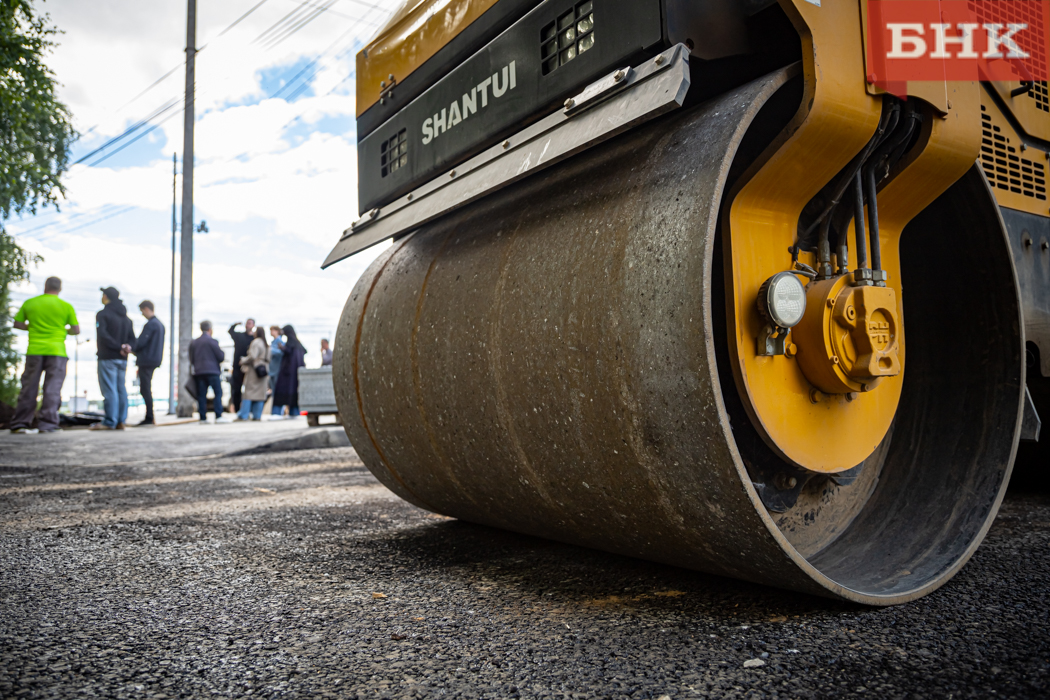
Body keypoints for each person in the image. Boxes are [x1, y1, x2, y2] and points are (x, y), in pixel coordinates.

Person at [9, 276, 80, 434]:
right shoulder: (66, 306)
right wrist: (62, 330)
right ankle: (48, 425)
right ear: (60, 289)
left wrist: (32, 327)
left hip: (34, 350)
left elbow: (17, 323)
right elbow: (76, 330)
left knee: (29, 387)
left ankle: (20, 424)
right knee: (52, 389)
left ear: (45, 286)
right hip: (57, 351)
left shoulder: (31, 303)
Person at [91, 286, 136, 431]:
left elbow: (103, 335)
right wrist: (126, 347)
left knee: (110, 390)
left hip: (108, 357)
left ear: (106, 296)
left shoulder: (103, 315)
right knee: (120, 389)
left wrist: (118, 347)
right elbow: (132, 339)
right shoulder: (127, 319)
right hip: (122, 359)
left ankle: (110, 421)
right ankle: (120, 421)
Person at [189, 320, 231, 423]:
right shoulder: (213, 341)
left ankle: (203, 418)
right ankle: (218, 416)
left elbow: (191, 358)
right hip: (212, 371)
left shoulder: (194, 342)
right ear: (210, 329)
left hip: (199, 372)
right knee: (218, 393)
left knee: (201, 395)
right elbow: (220, 356)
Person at [130, 300, 165, 426]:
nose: (142, 314)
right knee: (146, 388)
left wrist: (131, 348)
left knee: (145, 389)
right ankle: (150, 416)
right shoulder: (160, 324)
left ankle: (149, 417)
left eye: (141, 311)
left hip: (146, 360)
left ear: (146, 309)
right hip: (154, 359)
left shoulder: (151, 324)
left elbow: (141, 343)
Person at [271, 324, 305, 420]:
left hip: (286, 374)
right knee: (293, 395)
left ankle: (276, 413)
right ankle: (294, 412)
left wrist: (282, 348)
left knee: (281, 393)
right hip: (296, 376)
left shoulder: (290, 344)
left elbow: (287, 351)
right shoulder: (298, 345)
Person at [237, 327, 271, 421]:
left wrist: (243, 360)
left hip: (255, 369)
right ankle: (257, 415)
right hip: (264, 370)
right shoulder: (266, 344)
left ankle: (243, 415)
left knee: (249, 392)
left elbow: (253, 356)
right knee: (260, 394)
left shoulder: (256, 342)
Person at [228, 319, 255, 413]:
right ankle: (237, 409)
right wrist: (235, 324)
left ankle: (249, 410)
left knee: (250, 389)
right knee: (236, 389)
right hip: (237, 367)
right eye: (247, 323)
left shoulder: (254, 339)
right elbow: (230, 331)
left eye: (250, 323)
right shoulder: (239, 336)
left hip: (250, 368)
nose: (248, 325)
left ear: (253, 325)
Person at [268, 325, 284, 392]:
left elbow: (282, 352)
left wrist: (270, 350)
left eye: (272, 330)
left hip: (277, 369)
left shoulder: (280, 341)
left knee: (276, 389)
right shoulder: (273, 342)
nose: (270, 332)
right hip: (272, 369)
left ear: (277, 331)